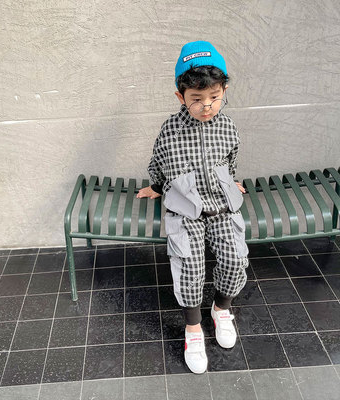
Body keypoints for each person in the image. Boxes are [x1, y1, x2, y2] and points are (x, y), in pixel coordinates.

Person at [137, 41, 249, 374]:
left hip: (221, 206)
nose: (206, 106)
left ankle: (221, 309)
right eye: (196, 98)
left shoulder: (227, 127)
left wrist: (230, 181)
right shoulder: (170, 130)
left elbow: (230, 159)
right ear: (181, 96)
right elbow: (158, 162)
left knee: (235, 258)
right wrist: (157, 186)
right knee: (190, 265)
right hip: (185, 209)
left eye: (214, 96)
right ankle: (193, 328)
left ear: (224, 90)